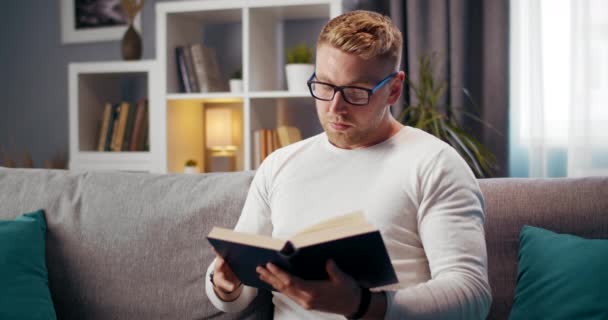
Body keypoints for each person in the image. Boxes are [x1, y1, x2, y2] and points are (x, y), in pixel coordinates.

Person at [206, 10, 492, 319]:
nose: (335, 108)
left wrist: (361, 305)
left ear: (394, 89)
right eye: (325, 86)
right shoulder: (279, 164)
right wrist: (225, 285)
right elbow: (234, 291)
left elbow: (471, 295)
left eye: (355, 92)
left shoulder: (435, 164)